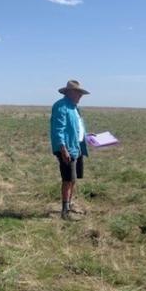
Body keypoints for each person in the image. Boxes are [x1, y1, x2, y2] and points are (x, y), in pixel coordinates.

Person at [50, 80, 90, 220]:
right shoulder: (61, 107)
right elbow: (58, 130)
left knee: (73, 179)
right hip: (66, 149)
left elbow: (78, 128)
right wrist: (63, 149)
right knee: (67, 179)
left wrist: (88, 136)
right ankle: (65, 211)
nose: (80, 96)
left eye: (81, 94)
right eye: (78, 93)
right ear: (70, 92)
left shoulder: (74, 108)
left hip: (76, 147)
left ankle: (70, 204)